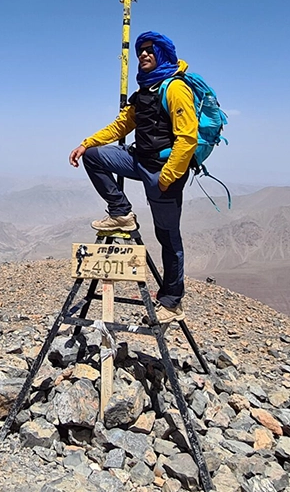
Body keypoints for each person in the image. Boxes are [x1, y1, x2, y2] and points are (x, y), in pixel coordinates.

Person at [69, 31, 198, 323]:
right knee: (94, 157)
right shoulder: (144, 91)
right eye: (140, 50)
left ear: (163, 53)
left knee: (167, 237)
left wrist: (169, 176)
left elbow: (187, 138)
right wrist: (87, 143)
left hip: (163, 172)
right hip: (139, 160)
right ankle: (121, 211)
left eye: (150, 50)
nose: (143, 54)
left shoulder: (175, 88)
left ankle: (172, 300)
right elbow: (120, 126)